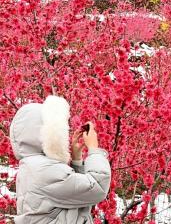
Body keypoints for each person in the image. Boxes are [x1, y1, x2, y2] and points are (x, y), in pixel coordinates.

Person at [9, 95, 111, 223]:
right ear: (47, 134)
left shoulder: (33, 165)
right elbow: (97, 188)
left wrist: (76, 160)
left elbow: (76, 194)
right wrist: (94, 150)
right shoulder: (44, 170)